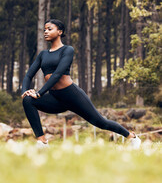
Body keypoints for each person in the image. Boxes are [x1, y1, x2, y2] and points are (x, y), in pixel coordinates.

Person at [21, 19, 141, 148]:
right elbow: (29, 75)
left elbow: (57, 74)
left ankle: (132, 137)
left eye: (49, 29)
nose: (45, 32)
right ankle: (42, 142)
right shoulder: (43, 54)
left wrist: (39, 93)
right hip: (56, 98)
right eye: (44, 29)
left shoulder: (67, 50)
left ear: (60, 32)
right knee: (28, 100)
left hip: (72, 95)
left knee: (100, 122)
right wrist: (25, 91)